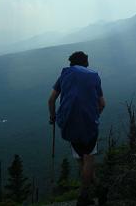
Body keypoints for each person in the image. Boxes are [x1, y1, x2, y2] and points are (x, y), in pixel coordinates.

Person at [47, 51, 106, 206]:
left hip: (69, 125)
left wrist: (53, 117)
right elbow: (102, 104)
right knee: (88, 159)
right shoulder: (94, 76)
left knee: (82, 161)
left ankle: (99, 188)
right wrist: (94, 116)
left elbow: (51, 100)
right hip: (89, 125)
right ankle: (84, 196)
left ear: (71, 63)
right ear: (85, 63)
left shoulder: (64, 75)